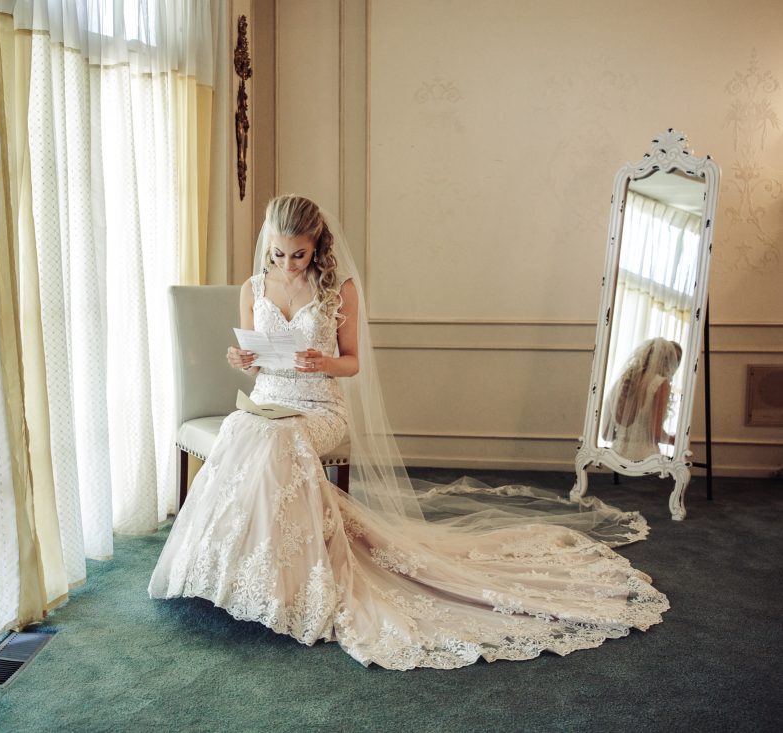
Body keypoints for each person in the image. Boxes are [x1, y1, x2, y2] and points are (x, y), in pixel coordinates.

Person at [149, 195, 668, 670]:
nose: (287, 265)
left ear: (317, 247)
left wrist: (321, 361)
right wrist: (242, 359)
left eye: (298, 256)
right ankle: (234, 574)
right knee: (248, 431)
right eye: (279, 254)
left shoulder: (338, 289)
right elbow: (256, 367)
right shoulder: (252, 289)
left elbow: (352, 364)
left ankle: (290, 586)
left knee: (278, 441)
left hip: (318, 406)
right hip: (267, 403)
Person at [602, 338, 683, 461]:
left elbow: (606, 434)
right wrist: (674, 440)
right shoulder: (660, 383)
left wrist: (625, 439)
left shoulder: (623, 381)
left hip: (616, 459)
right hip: (646, 461)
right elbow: (655, 434)